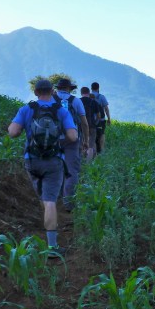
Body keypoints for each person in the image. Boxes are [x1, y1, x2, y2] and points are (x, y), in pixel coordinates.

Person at [7, 77, 77, 251]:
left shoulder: (26, 109)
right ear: (52, 91)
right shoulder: (60, 110)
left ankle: (46, 220)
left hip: (32, 160)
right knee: (51, 200)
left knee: (44, 198)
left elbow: (13, 132)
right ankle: (52, 247)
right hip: (54, 161)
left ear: (36, 92)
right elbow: (73, 136)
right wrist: (60, 141)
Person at [54, 77, 89, 211]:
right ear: (70, 89)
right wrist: (85, 140)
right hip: (72, 138)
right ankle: (68, 203)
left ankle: (52, 198)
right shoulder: (76, 101)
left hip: (53, 139)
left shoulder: (50, 100)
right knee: (72, 170)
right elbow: (84, 123)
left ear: (58, 88)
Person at [80, 86, 102, 161]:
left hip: (81, 126)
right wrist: (95, 123)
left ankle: (82, 162)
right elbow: (99, 116)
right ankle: (88, 165)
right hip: (92, 126)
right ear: (89, 93)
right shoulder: (94, 102)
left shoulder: (78, 101)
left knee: (82, 143)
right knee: (91, 145)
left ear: (81, 93)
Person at [90, 81, 111, 153]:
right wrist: (109, 118)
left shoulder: (88, 96)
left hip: (90, 119)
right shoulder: (101, 97)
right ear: (98, 88)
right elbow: (106, 108)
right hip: (101, 120)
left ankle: (91, 150)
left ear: (91, 88)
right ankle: (101, 150)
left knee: (91, 134)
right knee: (102, 134)